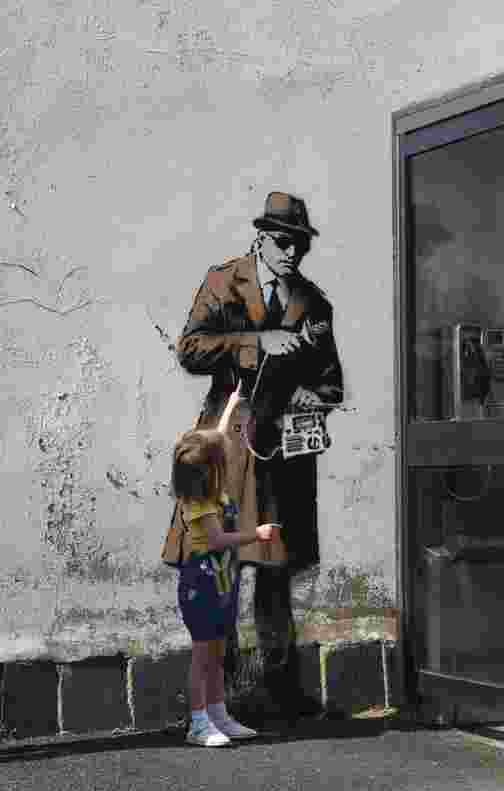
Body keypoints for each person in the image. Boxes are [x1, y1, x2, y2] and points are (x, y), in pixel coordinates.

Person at [177, 191, 344, 718]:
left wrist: (314, 396)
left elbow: (331, 383)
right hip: (226, 447)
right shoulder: (224, 280)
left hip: (282, 453)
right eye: (282, 242)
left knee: (275, 569)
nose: (291, 252)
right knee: (220, 568)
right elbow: (190, 349)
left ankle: (281, 689)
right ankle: (219, 695)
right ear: (260, 239)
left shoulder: (314, 302)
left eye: (299, 244)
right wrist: (256, 342)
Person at [172, 390, 279, 747]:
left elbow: (219, 442)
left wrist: (232, 406)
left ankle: (219, 714)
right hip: (201, 584)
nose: (227, 461)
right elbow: (218, 541)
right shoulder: (198, 504)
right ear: (207, 472)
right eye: (219, 462)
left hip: (221, 582)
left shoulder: (210, 488)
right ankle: (198, 723)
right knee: (203, 655)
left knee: (218, 653)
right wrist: (256, 535)